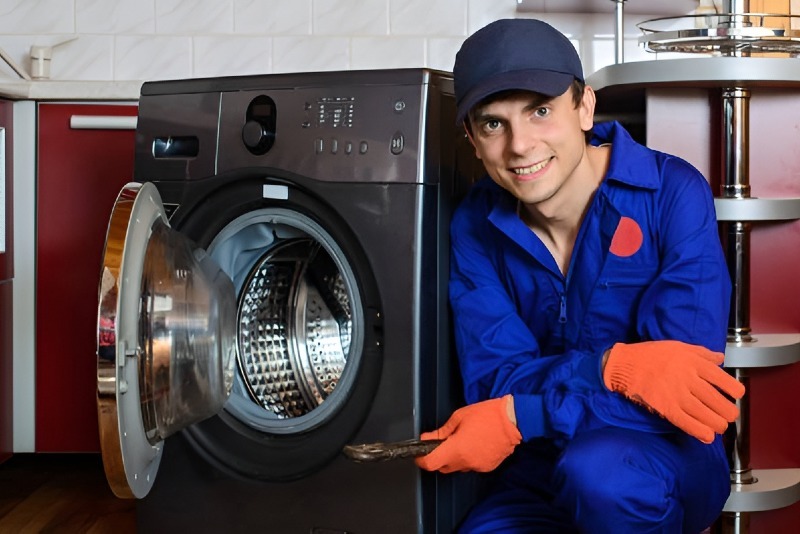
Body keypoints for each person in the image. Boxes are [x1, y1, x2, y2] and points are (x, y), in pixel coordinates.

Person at [415, 18, 746, 533]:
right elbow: (497, 381)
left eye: (540, 111)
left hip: (656, 462)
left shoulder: (672, 193)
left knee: (599, 475)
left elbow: (682, 394)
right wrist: (608, 369)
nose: (520, 145)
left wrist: (525, 416)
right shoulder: (474, 226)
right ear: (472, 140)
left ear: (585, 107)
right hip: (536, 471)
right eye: (493, 124)